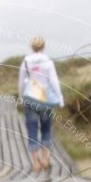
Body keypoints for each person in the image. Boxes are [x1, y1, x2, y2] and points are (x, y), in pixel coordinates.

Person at [18, 35, 64, 172]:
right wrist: (60, 97)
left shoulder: (26, 61)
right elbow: (54, 81)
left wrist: (21, 96)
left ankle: (35, 162)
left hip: (30, 100)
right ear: (43, 46)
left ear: (31, 47)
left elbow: (21, 82)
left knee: (32, 129)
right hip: (45, 100)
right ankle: (45, 159)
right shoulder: (48, 62)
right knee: (46, 129)